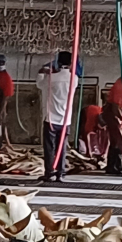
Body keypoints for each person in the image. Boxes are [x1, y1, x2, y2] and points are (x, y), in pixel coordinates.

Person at [37, 50, 74, 183]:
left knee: (49, 147)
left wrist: (42, 72)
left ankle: (49, 173)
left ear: (57, 62)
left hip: (51, 118)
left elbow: (39, 85)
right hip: (65, 119)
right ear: (71, 63)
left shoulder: (51, 79)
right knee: (61, 147)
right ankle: (61, 173)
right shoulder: (74, 79)